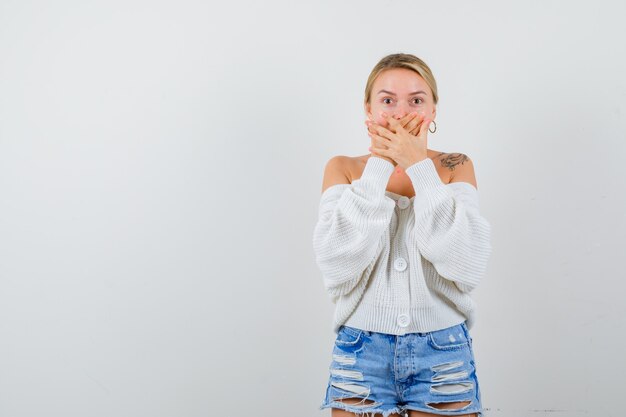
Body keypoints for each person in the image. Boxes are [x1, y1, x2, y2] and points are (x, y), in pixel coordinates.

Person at [312, 53, 492, 417]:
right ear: (368, 108)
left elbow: (466, 264)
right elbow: (336, 262)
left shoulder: (456, 166)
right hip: (361, 349)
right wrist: (381, 164)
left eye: (416, 100)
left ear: (433, 110)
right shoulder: (343, 168)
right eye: (387, 100)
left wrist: (418, 167)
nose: (399, 112)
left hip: (443, 351)